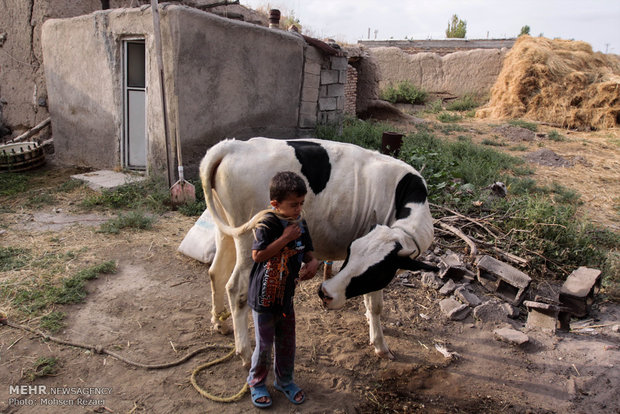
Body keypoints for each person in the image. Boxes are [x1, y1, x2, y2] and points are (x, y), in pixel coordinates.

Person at [247, 171, 319, 408]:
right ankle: (257, 382)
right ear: (275, 204)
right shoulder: (266, 223)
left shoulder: (300, 223)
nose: (299, 209)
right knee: (264, 344)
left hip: (286, 297)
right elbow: (258, 256)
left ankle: (284, 381)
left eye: (301, 204)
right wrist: (285, 238)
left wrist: (313, 262)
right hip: (264, 298)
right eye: (293, 204)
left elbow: (308, 250)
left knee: (287, 342)